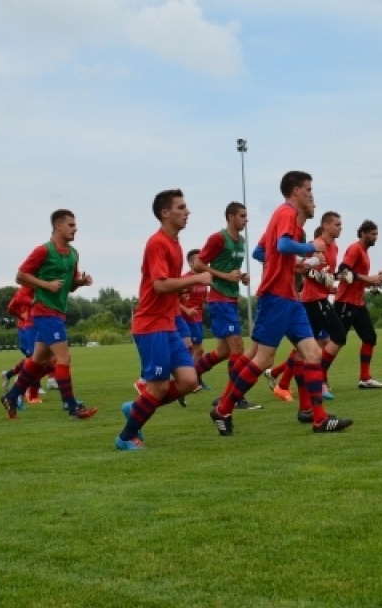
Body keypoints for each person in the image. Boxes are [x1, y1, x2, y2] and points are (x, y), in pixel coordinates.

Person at [209, 171, 352, 435]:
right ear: (296, 191)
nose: (312, 196)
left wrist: (294, 264)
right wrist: (310, 248)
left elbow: (263, 251)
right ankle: (223, 408)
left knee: (312, 354)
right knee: (262, 359)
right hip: (276, 297)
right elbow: (283, 245)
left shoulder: (290, 220)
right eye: (309, 190)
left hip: (290, 299)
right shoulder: (286, 213)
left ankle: (319, 418)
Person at [116, 190, 216, 450]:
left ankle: (137, 408)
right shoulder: (157, 243)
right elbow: (160, 286)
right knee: (158, 388)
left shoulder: (175, 244)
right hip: (151, 326)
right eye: (181, 207)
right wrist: (195, 279)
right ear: (165, 213)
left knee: (189, 381)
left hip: (169, 323)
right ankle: (125, 438)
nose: (187, 212)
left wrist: (181, 290)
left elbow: (168, 287)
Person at [0, 209, 98, 420]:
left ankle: (12, 396)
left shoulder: (73, 254)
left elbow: (68, 287)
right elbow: (20, 276)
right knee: (64, 357)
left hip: (58, 312)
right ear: (58, 226)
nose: (75, 229)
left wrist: (80, 283)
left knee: (37, 361)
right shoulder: (43, 251)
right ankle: (72, 407)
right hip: (44, 312)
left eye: (75, 225)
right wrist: (45, 284)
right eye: (71, 225)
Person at [268, 213, 350, 410]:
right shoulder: (316, 244)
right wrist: (322, 278)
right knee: (338, 335)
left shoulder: (334, 247)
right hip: (312, 300)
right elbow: (300, 268)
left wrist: (337, 279)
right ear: (326, 225)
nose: (341, 228)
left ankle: (283, 385)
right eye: (337, 224)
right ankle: (318, 378)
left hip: (318, 298)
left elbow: (326, 276)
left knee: (304, 348)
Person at [192, 202, 261, 410]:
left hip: (231, 299)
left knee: (222, 352)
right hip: (219, 300)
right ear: (230, 217)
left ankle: (191, 373)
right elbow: (198, 265)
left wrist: (242, 278)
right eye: (242, 216)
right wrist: (225, 276)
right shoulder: (218, 238)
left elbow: (232, 269)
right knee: (238, 348)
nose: (246, 220)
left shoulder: (241, 241)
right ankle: (234, 397)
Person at [336, 220, 382, 389]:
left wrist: (378, 282)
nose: (376, 237)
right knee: (335, 342)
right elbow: (342, 271)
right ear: (363, 234)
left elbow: (359, 280)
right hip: (345, 302)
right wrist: (369, 278)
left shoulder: (366, 253)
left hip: (358, 303)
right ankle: (319, 378)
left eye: (376, 234)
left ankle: (365, 378)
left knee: (370, 338)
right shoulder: (355, 249)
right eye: (373, 234)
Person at [0, 286, 43, 403]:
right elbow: (11, 307)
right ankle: (30, 391)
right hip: (28, 327)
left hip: (36, 325)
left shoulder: (40, 286)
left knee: (43, 359)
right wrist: (21, 316)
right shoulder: (25, 290)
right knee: (36, 359)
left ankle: (12, 376)